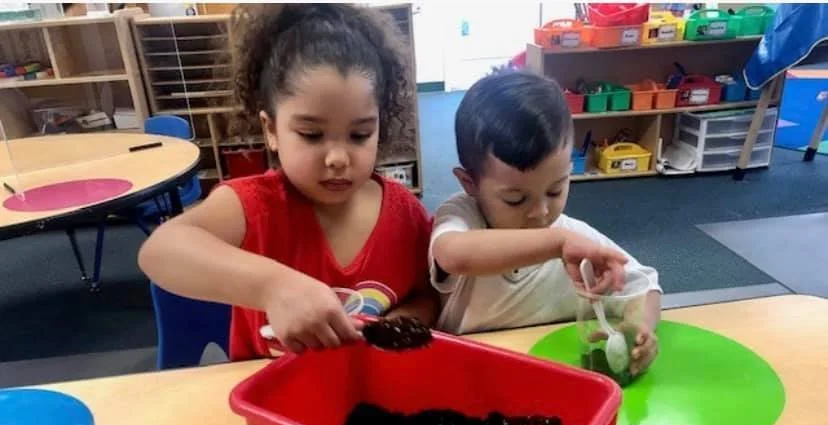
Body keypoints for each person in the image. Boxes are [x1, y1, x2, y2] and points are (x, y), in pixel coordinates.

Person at [138, 3, 436, 360]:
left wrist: (393, 328)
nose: (338, 158)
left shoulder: (406, 214)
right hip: (272, 398)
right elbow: (159, 251)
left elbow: (428, 295)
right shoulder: (252, 207)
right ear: (271, 130)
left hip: (371, 392)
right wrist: (274, 287)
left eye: (359, 135)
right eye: (311, 135)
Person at [429, 71, 662, 376]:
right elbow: (453, 255)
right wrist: (556, 244)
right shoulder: (463, 216)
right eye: (515, 199)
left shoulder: (573, 237)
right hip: (470, 375)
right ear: (469, 183)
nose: (540, 212)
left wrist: (639, 324)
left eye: (555, 190)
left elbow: (645, 285)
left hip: (553, 377)